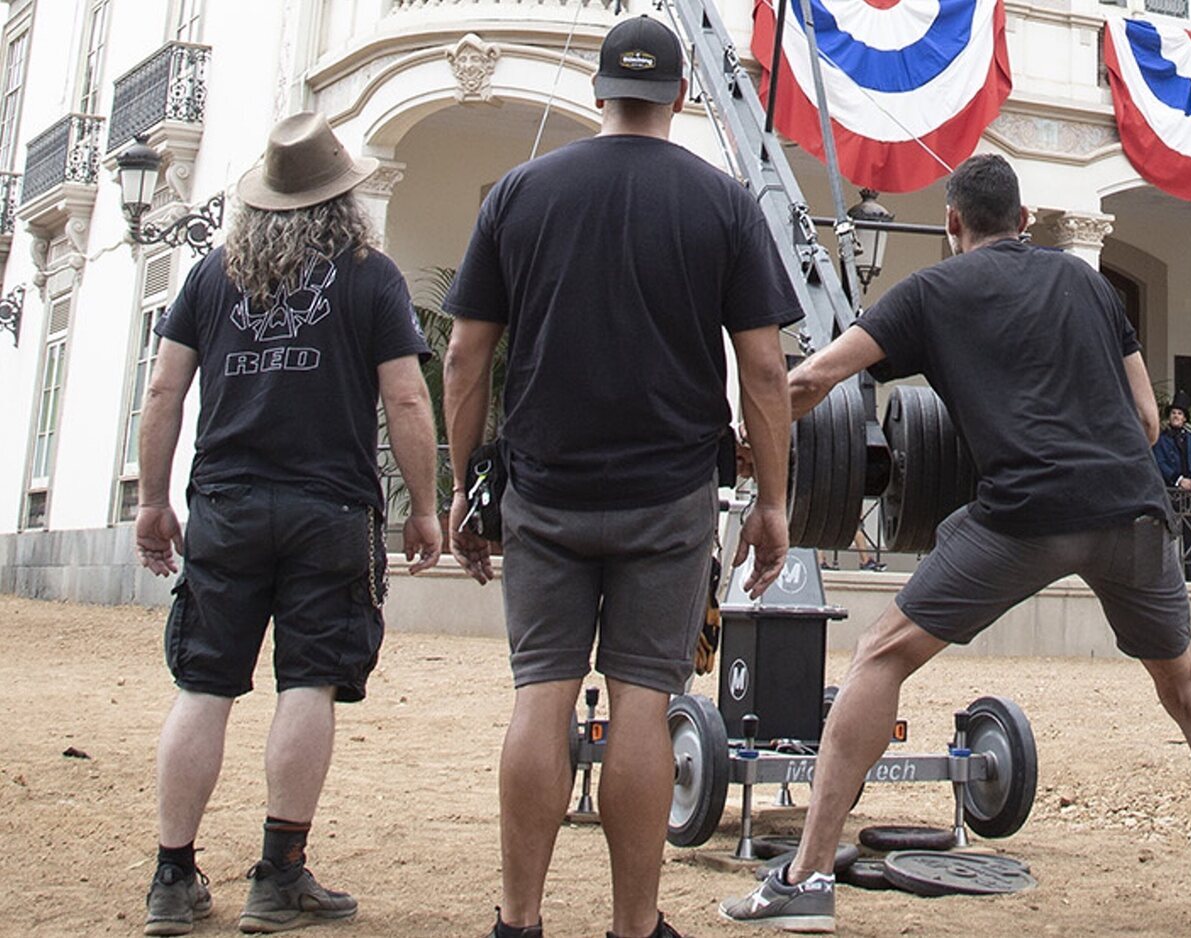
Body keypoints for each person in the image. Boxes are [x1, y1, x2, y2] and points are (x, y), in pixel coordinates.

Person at [720, 154, 1191, 938]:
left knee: (882, 656)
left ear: (952, 224)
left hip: (1026, 514)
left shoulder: (929, 290)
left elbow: (809, 383)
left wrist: (757, 442)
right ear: (1022, 221)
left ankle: (807, 879)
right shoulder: (1086, 282)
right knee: (1187, 689)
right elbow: (1148, 423)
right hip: (1133, 509)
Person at [440, 16, 799, 938]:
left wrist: (463, 481)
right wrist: (775, 502)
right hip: (668, 495)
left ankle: (519, 921)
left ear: (599, 93)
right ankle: (634, 928)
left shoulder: (519, 193)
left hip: (546, 490)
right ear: (681, 96)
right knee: (645, 700)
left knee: (541, 693)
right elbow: (764, 369)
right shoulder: (722, 201)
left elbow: (464, 357)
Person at [134, 112, 442, 936]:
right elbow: (408, 397)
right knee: (308, 683)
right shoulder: (371, 278)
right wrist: (426, 507)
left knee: (204, 685)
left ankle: (172, 877)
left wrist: (152, 501)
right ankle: (279, 876)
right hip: (329, 507)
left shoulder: (209, 275)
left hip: (227, 504)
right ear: (341, 201)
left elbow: (163, 393)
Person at [1152, 389, 1191, 580]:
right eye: (1174, 413)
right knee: (1167, 533)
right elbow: (1160, 463)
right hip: (1170, 491)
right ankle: (1166, 575)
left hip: (1189, 493)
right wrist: (1178, 480)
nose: (1176, 416)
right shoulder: (1162, 439)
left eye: (1180, 414)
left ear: (1185, 419)